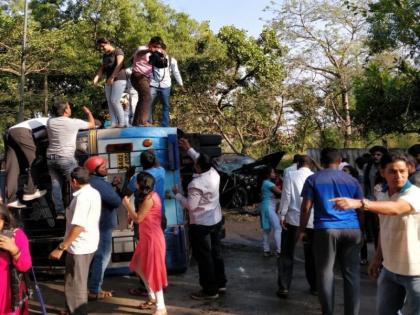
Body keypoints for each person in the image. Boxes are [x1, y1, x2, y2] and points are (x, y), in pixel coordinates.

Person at [331, 153, 420, 315]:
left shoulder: (415, 194)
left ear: (408, 171)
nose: (398, 176)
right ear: (382, 172)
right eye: (392, 171)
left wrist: (359, 203)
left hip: (416, 271)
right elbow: (384, 228)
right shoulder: (381, 193)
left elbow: (396, 209)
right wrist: (377, 258)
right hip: (390, 269)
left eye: (402, 171)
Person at [299, 147, 363, 315]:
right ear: (340, 161)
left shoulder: (313, 179)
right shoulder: (352, 180)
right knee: (351, 274)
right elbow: (361, 207)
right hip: (352, 229)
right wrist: (360, 228)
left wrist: (302, 230)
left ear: (321, 161)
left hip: (326, 229)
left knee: (325, 273)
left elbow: (306, 208)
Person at [172, 138, 226, 300]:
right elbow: (200, 160)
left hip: (201, 224)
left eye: (195, 163)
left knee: (204, 256)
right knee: (216, 253)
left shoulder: (196, 184)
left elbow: (191, 206)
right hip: (216, 220)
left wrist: (177, 195)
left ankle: (210, 290)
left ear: (197, 167)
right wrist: (189, 149)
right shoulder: (213, 172)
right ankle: (221, 283)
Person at [49, 167, 101, 315]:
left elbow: (78, 226)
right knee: (73, 282)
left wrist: (61, 247)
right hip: (88, 244)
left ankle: (77, 312)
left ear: (74, 181)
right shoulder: (93, 192)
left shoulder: (82, 198)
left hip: (80, 247)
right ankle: (70, 310)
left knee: (76, 286)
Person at [122, 172, 168, 315]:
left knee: (153, 271)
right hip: (147, 238)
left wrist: (127, 205)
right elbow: (141, 216)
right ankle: (152, 297)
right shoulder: (148, 196)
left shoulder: (150, 198)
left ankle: (161, 307)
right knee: (138, 266)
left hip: (153, 239)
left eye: (136, 180)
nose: (135, 182)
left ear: (141, 184)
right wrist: (132, 213)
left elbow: (139, 219)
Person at [46, 101, 95, 217]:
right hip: (65, 158)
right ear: (66, 110)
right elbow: (92, 124)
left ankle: (60, 212)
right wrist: (88, 113)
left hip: (50, 158)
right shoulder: (73, 123)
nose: (70, 109)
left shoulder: (50, 122)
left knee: (56, 185)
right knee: (76, 183)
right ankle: (79, 210)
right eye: (69, 107)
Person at [277, 155, 316, 297]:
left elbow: (286, 196)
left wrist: (282, 215)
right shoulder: (315, 176)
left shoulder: (290, 175)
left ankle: (284, 287)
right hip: (311, 221)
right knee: (311, 254)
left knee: (286, 254)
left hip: (293, 219)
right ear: (310, 165)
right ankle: (315, 286)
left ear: (298, 164)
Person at [84, 156, 121, 301]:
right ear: (94, 171)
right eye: (102, 167)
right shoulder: (99, 183)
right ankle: (94, 289)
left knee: (98, 256)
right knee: (102, 257)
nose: (106, 168)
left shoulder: (92, 182)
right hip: (103, 225)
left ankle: (94, 287)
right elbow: (115, 201)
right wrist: (113, 190)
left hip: (96, 224)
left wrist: (112, 186)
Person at [5, 117, 48, 208]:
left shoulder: (46, 119)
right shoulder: (55, 122)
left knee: (13, 167)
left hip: (10, 132)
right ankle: (30, 191)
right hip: (22, 132)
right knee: (35, 161)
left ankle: (11, 199)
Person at [0, 205, 32, 315]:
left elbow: (26, 265)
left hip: (8, 296)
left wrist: (14, 250)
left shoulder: (15, 235)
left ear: (4, 220)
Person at [131, 36, 165, 126]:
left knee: (143, 98)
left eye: (158, 47)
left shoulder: (156, 52)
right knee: (147, 97)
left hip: (146, 78)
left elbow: (161, 65)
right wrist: (149, 51)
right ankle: (142, 121)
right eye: (155, 46)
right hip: (138, 75)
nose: (156, 48)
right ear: (150, 43)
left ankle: (136, 122)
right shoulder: (142, 48)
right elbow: (139, 53)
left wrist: (162, 56)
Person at [93, 38, 127, 128]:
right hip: (108, 80)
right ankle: (113, 123)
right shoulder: (105, 56)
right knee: (109, 101)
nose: (101, 48)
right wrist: (96, 78)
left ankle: (122, 123)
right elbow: (102, 69)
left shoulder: (118, 51)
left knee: (114, 100)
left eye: (102, 46)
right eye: (100, 47)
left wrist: (112, 77)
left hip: (119, 78)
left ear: (108, 43)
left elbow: (119, 65)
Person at [149, 44, 184, 127]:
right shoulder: (152, 58)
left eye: (159, 49)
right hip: (153, 84)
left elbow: (176, 72)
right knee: (149, 104)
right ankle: (149, 122)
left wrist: (181, 84)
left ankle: (165, 125)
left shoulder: (171, 60)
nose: (157, 50)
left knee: (166, 105)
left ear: (164, 50)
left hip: (166, 86)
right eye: (156, 48)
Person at [259, 166, 282, 257]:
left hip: (266, 207)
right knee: (278, 227)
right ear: (268, 174)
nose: (274, 174)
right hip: (268, 207)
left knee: (267, 229)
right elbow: (280, 192)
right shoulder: (268, 183)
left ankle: (266, 250)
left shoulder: (265, 182)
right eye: (272, 173)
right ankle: (279, 251)